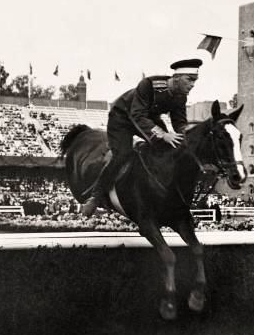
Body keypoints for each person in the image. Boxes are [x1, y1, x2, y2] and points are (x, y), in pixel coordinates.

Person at [82, 58, 203, 217]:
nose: (193, 84)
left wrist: (189, 131)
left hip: (148, 118)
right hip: (122, 118)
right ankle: (95, 196)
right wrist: (162, 134)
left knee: (170, 148)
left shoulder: (181, 95)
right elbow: (137, 115)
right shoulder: (149, 84)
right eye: (190, 79)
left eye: (195, 80)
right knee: (122, 155)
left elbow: (179, 123)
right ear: (177, 77)